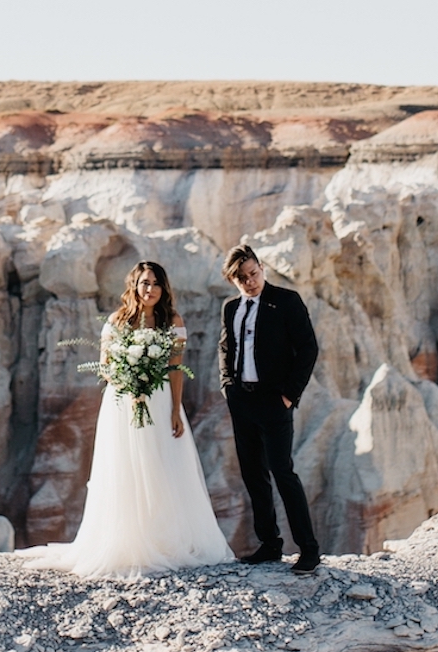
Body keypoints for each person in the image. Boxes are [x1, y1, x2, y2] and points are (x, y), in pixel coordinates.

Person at [17, 260, 233, 578]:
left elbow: (175, 370)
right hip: (123, 405)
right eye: (145, 283)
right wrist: (129, 384)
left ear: (164, 288)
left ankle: (164, 539)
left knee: (163, 466)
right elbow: (105, 366)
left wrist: (175, 410)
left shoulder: (172, 320)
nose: (151, 290)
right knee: (125, 468)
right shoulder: (118, 321)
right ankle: (128, 542)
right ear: (134, 285)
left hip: (159, 403)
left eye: (156, 284)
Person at [218, 243, 320, 572]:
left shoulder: (286, 301)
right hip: (242, 400)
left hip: (274, 401)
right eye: (242, 278)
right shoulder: (230, 308)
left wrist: (289, 395)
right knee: (253, 474)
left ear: (262, 267)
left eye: (254, 273)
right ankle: (270, 544)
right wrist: (227, 386)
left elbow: (307, 348)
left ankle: (308, 548)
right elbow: (225, 347)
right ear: (233, 280)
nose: (251, 281)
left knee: (282, 471)